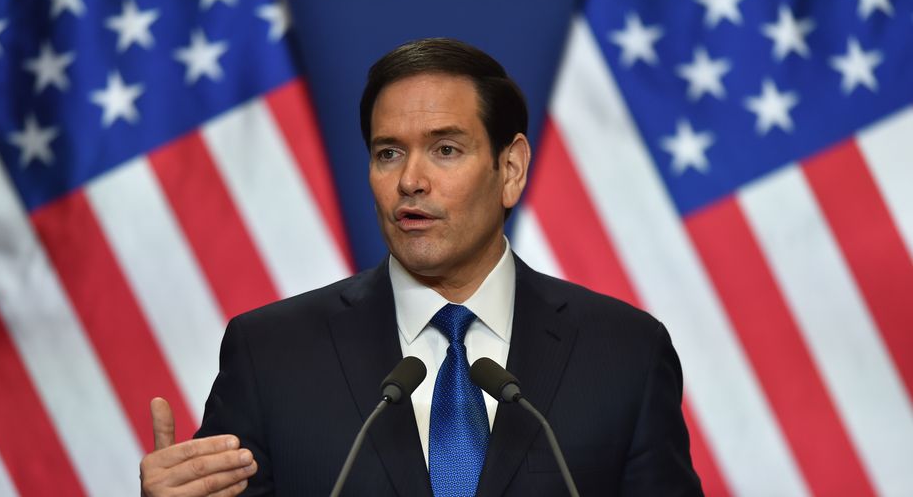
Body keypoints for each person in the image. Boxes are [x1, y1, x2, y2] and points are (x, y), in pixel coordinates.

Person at [139, 38, 703, 496]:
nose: (410, 180)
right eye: (388, 153)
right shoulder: (270, 354)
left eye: (445, 150)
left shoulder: (624, 354)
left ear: (510, 169)